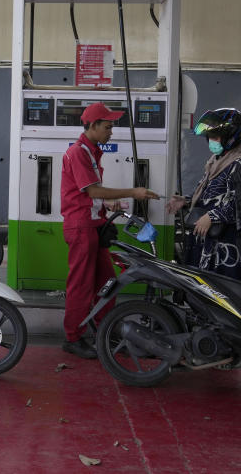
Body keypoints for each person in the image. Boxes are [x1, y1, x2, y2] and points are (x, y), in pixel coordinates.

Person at [60, 102, 160, 359]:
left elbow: (91, 194)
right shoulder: (78, 153)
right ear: (92, 126)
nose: (111, 131)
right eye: (107, 126)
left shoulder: (91, 152)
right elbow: (91, 191)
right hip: (81, 226)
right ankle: (73, 337)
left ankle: (107, 329)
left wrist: (107, 203)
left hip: (93, 225)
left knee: (107, 281)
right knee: (81, 285)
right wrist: (133, 191)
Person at [166, 108, 241, 285]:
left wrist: (212, 216)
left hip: (225, 247)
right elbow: (211, 195)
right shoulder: (216, 160)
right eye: (210, 137)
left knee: (222, 294)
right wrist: (187, 201)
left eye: (216, 137)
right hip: (207, 239)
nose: (212, 141)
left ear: (231, 137)